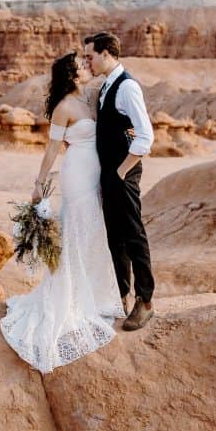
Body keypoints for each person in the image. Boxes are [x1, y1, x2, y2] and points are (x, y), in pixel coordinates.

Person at [0, 51, 124, 373]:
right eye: (81, 65)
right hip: (77, 174)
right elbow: (52, 149)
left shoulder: (90, 98)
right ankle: (69, 299)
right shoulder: (64, 107)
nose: (86, 66)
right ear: (71, 74)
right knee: (76, 230)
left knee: (92, 232)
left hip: (95, 172)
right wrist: (38, 184)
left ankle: (92, 294)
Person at [83, 31, 155, 330]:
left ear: (106, 54)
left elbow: (145, 136)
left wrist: (122, 171)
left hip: (123, 173)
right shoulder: (106, 85)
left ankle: (145, 301)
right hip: (110, 173)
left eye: (90, 56)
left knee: (133, 234)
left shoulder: (127, 87)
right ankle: (121, 296)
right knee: (115, 237)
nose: (87, 62)